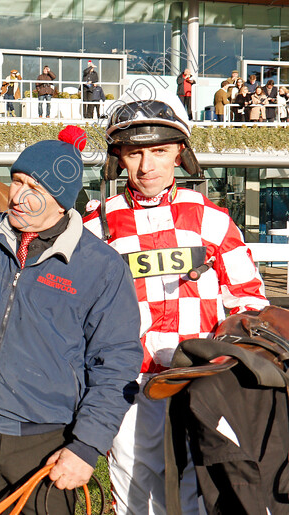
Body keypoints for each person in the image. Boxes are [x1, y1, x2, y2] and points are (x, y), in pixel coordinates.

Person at [0, 126, 142, 515]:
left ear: (60, 200)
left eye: (34, 188)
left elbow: (116, 365)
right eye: (16, 181)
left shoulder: (100, 267)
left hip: (46, 444)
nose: (17, 196)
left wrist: (85, 447)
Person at [83, 88, 269, 514]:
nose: (147, 166)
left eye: (160, 152)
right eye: (133, 154)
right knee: (135, 486)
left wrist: (224, 364)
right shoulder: (95, 227)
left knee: (200, 481)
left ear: (179, 154)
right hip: (129, 381)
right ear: (118, 158)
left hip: (200, 378)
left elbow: (249, 302)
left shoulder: (212, 219)